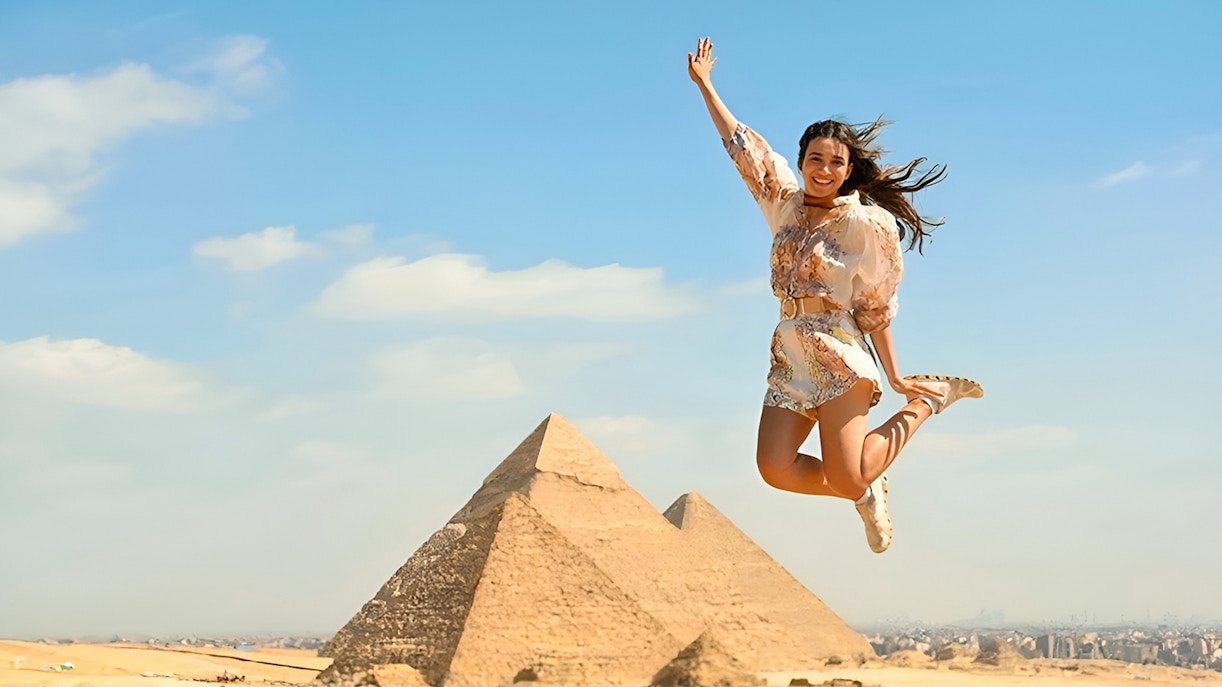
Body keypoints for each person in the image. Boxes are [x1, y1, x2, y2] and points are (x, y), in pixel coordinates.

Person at [687, 37, 983, 553]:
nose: (823, 169)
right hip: (789, 349)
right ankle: (868, 492)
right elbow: (744, 150)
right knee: (774, 468)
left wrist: (894, 375)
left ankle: (929, 403)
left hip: (838, 350)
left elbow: (875, 305)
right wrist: (706, 86)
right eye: (815, 158)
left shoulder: (866, 224)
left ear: (849, 170)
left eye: (836, 162)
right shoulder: (783, 204)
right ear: (801, 160)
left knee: (847, 478)